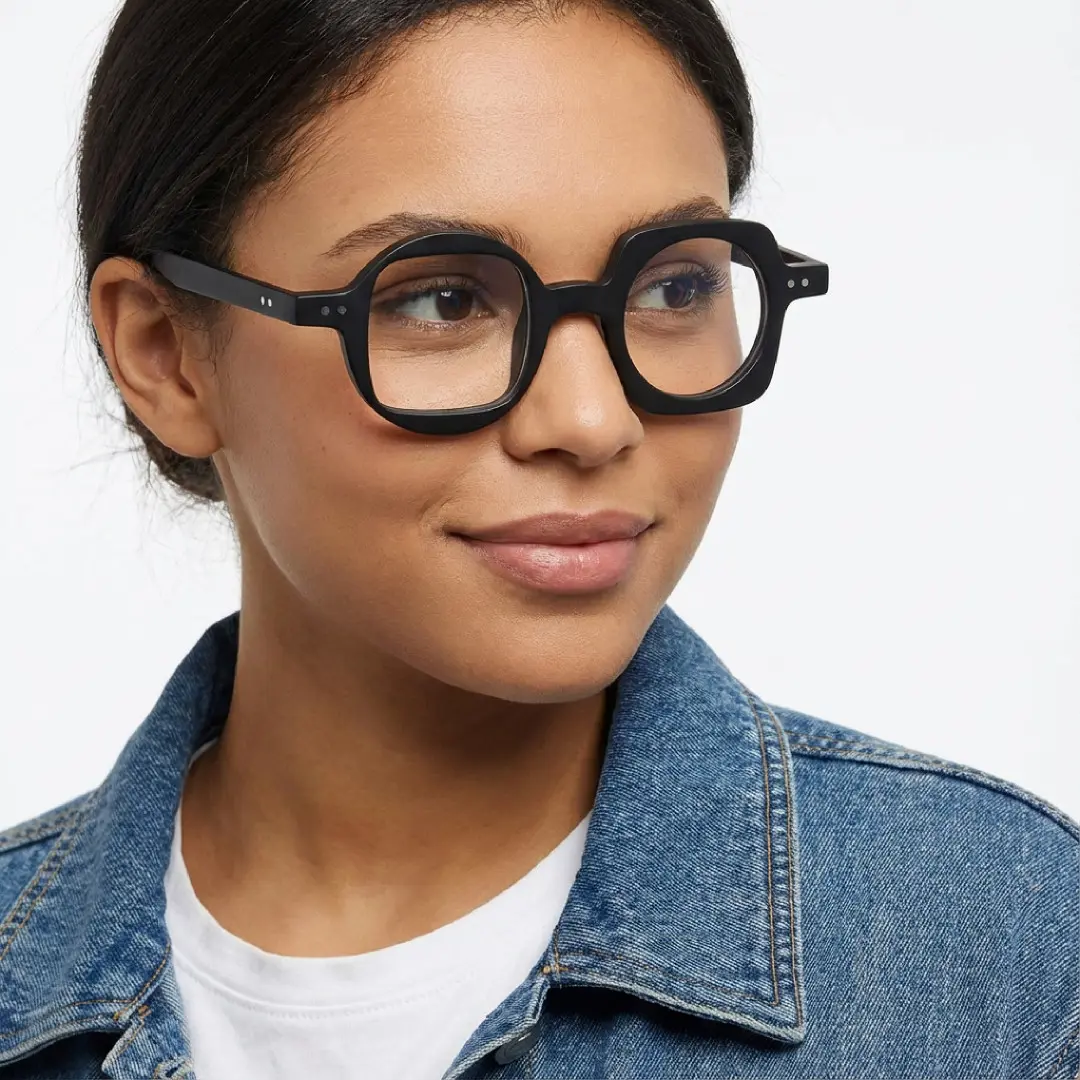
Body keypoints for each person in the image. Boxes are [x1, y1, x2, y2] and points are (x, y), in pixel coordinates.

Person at [0, 0, 1076, 1076]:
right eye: (441, 300)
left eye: (671, 286)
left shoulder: (1003, 948)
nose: (593, 420)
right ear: (165, 356)